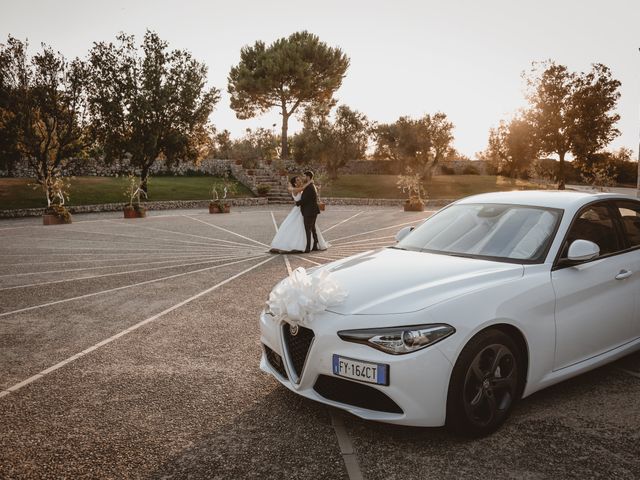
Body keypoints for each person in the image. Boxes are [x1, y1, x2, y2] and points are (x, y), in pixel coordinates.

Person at [269, 175, 329, 254]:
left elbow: (307, 193)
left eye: (299, 179)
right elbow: (302, 189)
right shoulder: (295, 190)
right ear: (294, 183)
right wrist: (309, 182)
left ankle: (311, 244)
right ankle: (297, 245)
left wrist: (315, 188)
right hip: (298, 211)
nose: (300, 180)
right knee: (300, 227)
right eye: (297, 180)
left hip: (305, 210)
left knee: (309, 227)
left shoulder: (301, 189)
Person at [296, 170, 322, 253]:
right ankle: (315, 245)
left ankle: (308, 248)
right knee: (313, 228)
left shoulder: (309, 187)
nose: (303, 177)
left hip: (309, 211)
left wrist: (297, 203)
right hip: (313, 210)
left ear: (308, 177)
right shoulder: (312, 185)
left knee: (308, 229)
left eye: (304, 176)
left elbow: (305, 199)